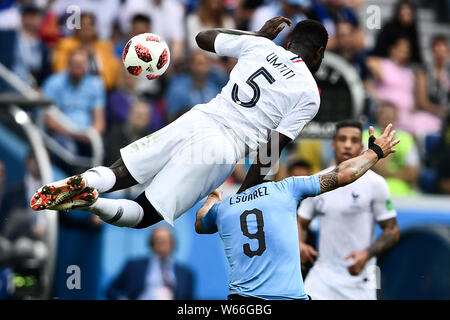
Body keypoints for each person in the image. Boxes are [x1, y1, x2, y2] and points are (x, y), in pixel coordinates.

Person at [31, 18, 328, 232]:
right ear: (319, 54)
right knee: (143, 215)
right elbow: (270, 150)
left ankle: (84, 182)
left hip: (198, 118)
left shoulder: (261, 47)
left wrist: (257, 34)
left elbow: (202, 37)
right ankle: (92, 203)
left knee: (120, 172)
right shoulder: (308, 93)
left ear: (288, 42)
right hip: (224, 148)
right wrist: (241, 198)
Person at [195, 123, 400, 300]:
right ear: (276, 165)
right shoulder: (286, 189)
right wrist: (376, 152)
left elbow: (200, 224)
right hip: (290, 296)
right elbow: (345, 173)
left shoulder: (224, 208)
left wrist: (212, 199)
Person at [298, 120, 400, 300]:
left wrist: (366, 254)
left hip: (360, 277)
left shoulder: (376, 184)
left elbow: (392, 231)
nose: (347, 145)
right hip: (322, 277)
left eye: (353, 140)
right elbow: (301, 221)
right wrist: (299, 243)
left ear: (361, 146)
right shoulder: (317, 182)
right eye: (342, 139)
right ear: (333, 145)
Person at [42, 48, 106, 159]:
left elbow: (99, 121)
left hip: (87, 135)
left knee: (102, 147)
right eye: (75, 64)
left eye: (81, 64)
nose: (78, 68)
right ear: (68, 64)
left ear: (87, 66)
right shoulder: (54, 83)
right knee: (68, 149)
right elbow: (50, 120)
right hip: (62, 133)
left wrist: (92, 134)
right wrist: (74, 134)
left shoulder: (96, 84)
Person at [106, 226, 194, 300]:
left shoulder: (185, 273)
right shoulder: (134, 267)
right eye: (159, 241)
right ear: (151, 244)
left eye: (165, 242)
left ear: (173, 244)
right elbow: (111, 290)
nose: (162, 245)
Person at [363, 102, 420, 195]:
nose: (387, 120)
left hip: (404, 190)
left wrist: (389, 174)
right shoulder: (367, 136)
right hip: (374, 189)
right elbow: (379, 169)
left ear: (396, 118)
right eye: (385, 116)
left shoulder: (407, 138)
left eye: (391, 116)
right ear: (378, 117)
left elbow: (413, 174)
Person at [166, 50, 227, 122]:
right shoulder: (178, 88)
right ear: (191, 65)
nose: (204, 67)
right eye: (200, 63)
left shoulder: (215, 88)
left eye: (206, 63)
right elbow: (170, 116)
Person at [371, 0, 423, 67]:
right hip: (387, 63)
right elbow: (380, 49)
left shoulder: (413, 31)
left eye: (408, 9)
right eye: (403, 9)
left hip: (406, 66)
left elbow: (416, 54)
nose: (406, 12)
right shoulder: (389, 27)